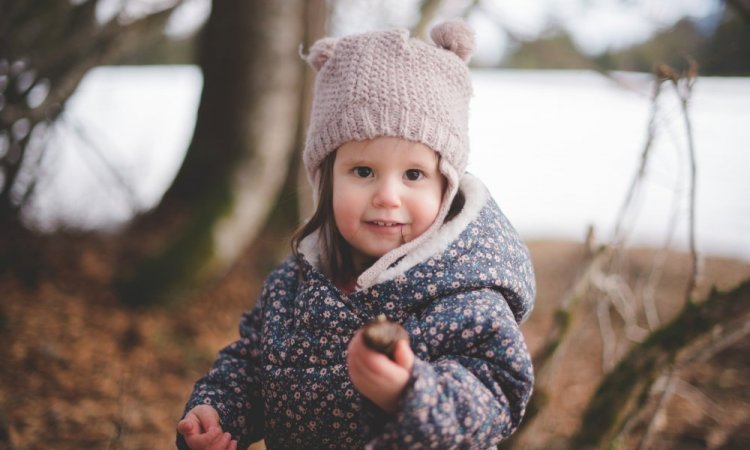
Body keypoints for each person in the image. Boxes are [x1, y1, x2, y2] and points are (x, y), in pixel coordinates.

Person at [176, 19, 535, 450]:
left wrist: (408, 394)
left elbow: (496, 391)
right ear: (326, 179)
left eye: (414, 174)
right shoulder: (295, 282)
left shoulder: (465, 295)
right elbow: (253, 364)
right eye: (363, 171)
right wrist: (219, 411)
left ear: (447, 187)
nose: (387, 196)